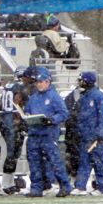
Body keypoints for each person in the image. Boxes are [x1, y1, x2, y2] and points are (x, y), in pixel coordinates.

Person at [23, 65, 74, 197]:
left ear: (48, 81)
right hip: (34, 133)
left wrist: (52, 120)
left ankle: (65, 185)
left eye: (41, 82)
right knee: (34, 162)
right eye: (37, 82)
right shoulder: (33, 97)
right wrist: (27, 116)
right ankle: (36, 187)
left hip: (48, 134)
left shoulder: (54, 96)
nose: (39, 85)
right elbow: (27, 110)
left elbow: (63, 113)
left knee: (54, 160)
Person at [70, 71, 103, 194]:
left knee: (99, 162)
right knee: (84, 161)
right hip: (85, 136)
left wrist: (100, 134)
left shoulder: (98, 96)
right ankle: (80, 186)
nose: (79, 82)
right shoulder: (84, 96)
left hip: (96, 138)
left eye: (81, 80)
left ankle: (101, 187)